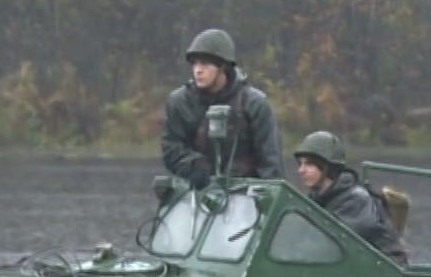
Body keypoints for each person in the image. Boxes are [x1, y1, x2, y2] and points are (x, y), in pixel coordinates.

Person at [162, 28, 282, 188]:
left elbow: (270, 164)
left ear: (223, 66)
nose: (198, 70)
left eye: (205, 63)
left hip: (247, 196)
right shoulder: (180, 102)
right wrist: (192, 164)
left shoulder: (254, 104)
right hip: (197, 194)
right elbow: (171, 148)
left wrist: (261, 200)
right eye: (194, 63)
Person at [291, 130, 408, 263]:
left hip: (383, 274)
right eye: (300, 164)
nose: (301, 170)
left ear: (327, 167)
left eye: (309, 164)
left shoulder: (355, 200)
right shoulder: (318, 198)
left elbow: (329, 245)